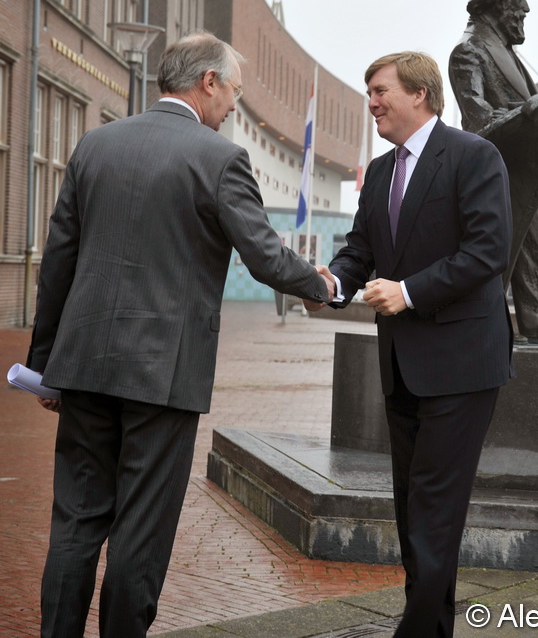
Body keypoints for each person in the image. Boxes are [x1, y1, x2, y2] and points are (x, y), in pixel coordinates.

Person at [25, 31, 335, 638]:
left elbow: (58, 260)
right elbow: (267, 258)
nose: (233, 109)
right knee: (140, 533)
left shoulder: (96, 144)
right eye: (234, 94)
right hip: (163, 377)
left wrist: (44, 364)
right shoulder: (219, 159)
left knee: (75, 525)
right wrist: (321, 285)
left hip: (84, 367)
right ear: (208, 82)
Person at [312, 52, 513, 638]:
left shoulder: (475, 156)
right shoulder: (378, 172)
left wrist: (410, 292)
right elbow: (359, 250)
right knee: (412, 506)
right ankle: (428, 623)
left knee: (433, 507)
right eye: (369, 92)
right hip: (401, 366)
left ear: (420, 94)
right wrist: (329, 283)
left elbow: (487, 252)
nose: (371, 102)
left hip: (461, 365)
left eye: (380, 91)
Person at [448, 0, 538, 342]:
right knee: (503, 249)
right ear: (496, 3)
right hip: (499, 170)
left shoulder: (507, 52)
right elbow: (477, 115)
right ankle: (497, 322)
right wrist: (529, 116)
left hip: (526, 168)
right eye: (518, 3)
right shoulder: (468, 50)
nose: (525, 10)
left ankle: (536, 319)